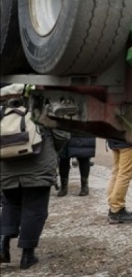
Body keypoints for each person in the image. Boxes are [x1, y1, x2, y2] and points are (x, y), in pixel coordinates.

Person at [0, 84, 64, 269]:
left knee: (10, 204)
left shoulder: (1, 110)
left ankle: (3, 244)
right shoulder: (43, 106)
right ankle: (27, 256)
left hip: (7, 166)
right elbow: (61, 134)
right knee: (35, 208)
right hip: (39, 165)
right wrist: (53, 150)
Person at [106, 139, 132, 223]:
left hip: (114, 139)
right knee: (125, 175)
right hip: (129, 141)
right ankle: (116, 209)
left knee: (116, 173)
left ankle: (113, 207)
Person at [57, 130, 96, 197]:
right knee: (63, 158)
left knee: (84, 157)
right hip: (66, 128)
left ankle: (84, 185)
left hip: (82, 129)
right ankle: (64, 186)